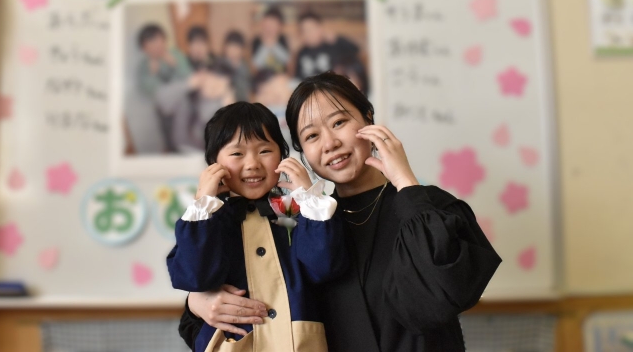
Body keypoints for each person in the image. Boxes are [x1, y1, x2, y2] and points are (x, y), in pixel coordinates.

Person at [178, 72, 502, 352]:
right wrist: (197, 303)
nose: (330, 143)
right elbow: (259, 295)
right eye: (311, 136)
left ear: (368, 117)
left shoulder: (430, 205)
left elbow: (447, 291)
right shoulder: (301, 222)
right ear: (302, 152)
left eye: (339, 122)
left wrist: (405, 181)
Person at [167, 101, 348, 352]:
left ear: (282, 155)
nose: (252, 163)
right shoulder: (205, 221)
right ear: (214, 163)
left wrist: (310, 200)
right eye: (237, 154)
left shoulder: (302, 212)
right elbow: (195, 277)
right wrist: (204, 204)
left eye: (264, 150)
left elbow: (324, 268)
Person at [135, 24, 191, 98]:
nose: (157, 47)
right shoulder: (144, 66)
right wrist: (153, 74)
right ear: (144, 49)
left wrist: (176, 64)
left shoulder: (175, 53)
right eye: (152, 44)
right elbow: (152, 92)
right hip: (166, 101)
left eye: (160, 42)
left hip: (185, 95)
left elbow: (189, 76)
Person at [251, 6, 290, 74]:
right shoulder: (256, 41)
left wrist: (274, 45)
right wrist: (265, 45)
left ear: (280, 26)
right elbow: (254, 68)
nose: (269, 29)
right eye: (266, 25)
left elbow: (289, 64)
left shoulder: (283, 40)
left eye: (272, 26)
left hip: (281, 77)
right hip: (262, 78)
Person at [217, 30, 251, 102]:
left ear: (242, 50)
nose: (233, 51)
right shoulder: (219, 63)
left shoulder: (244, 67)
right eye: (231, 47)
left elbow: (246, 89)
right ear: (225, 47)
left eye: (236, 47)